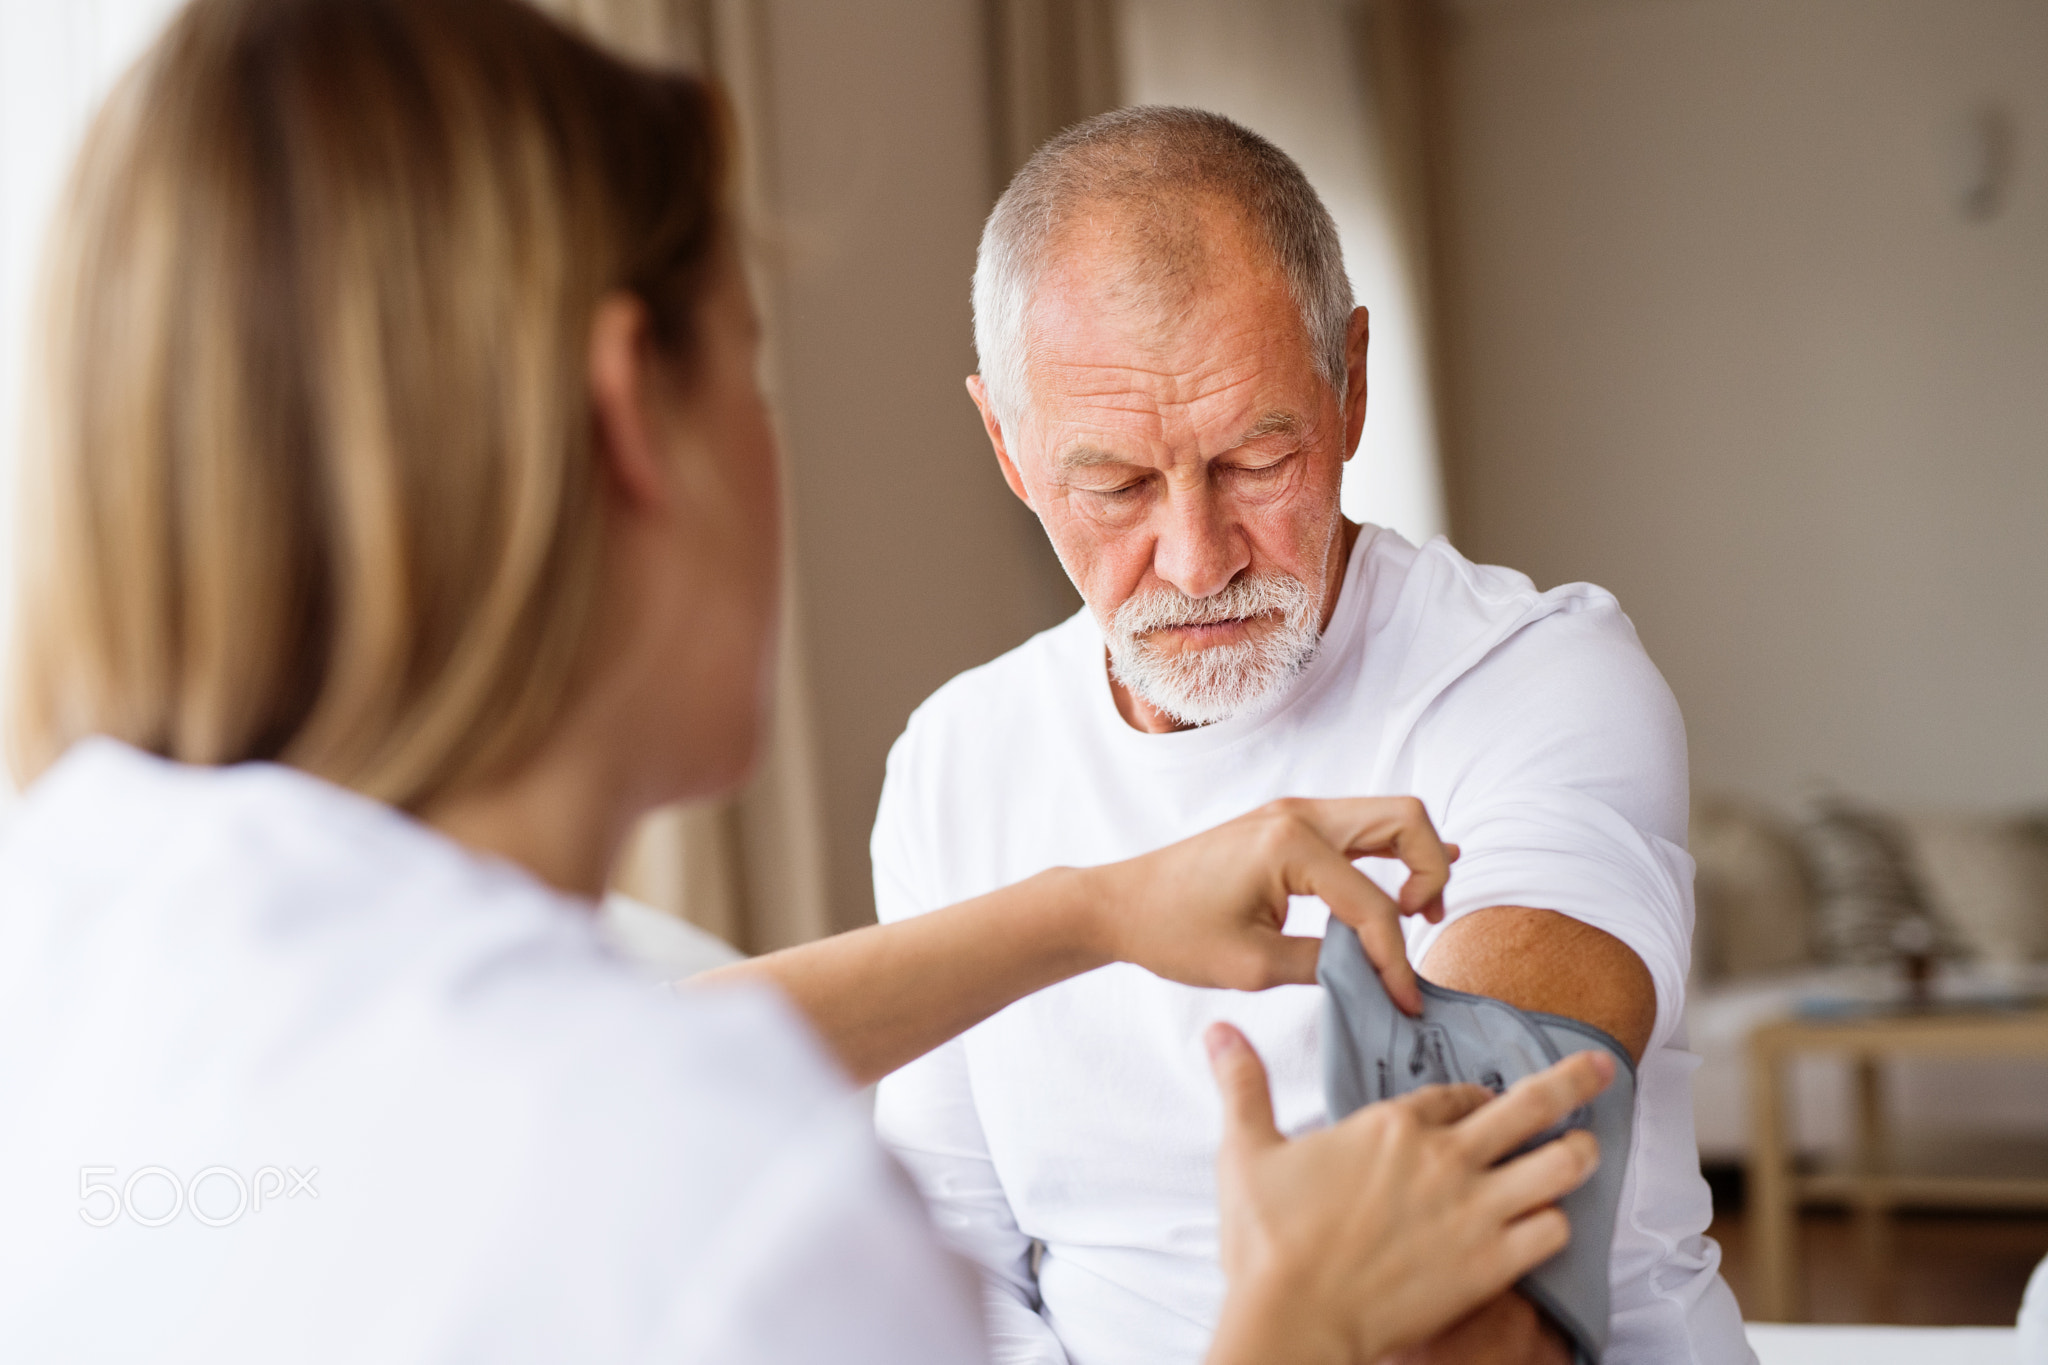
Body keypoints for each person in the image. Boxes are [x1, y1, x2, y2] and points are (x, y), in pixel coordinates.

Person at [0, 2, 1611, 1361]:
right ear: (640, 411)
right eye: (753, 353)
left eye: (1253, 453)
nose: (1192, 560)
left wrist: (1085, 910)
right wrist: (1288, 1333)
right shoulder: (737, 1212)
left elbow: (529, 1082)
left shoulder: (72, 966)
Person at [872, 107, 1753, 1365]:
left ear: (1347, 386)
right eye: (1114, 484)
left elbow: (1481, 1299)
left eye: (1254, 457)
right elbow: (950, 1266)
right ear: (1007, 448)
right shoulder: (952, 760)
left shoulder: (1533, 681)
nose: (1194, 556)